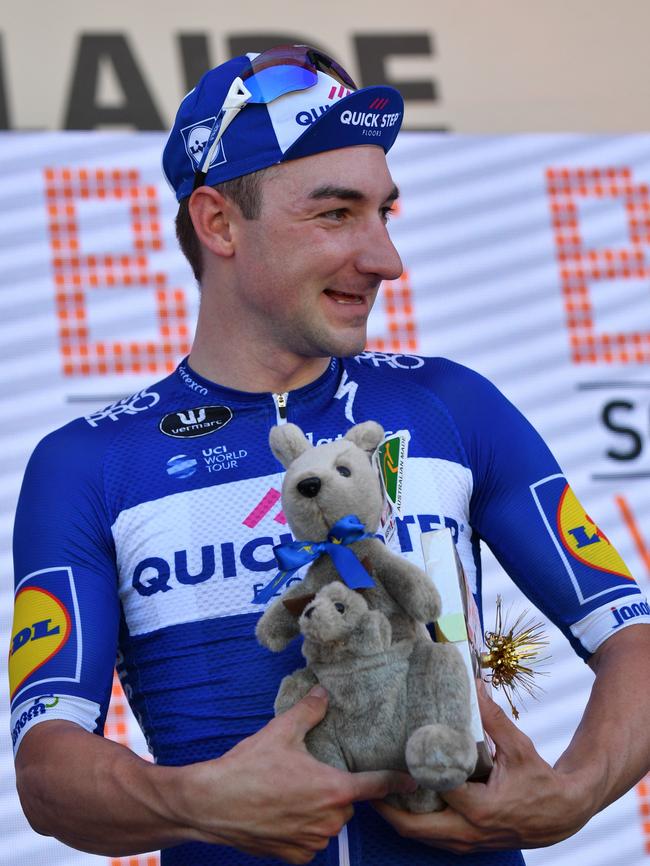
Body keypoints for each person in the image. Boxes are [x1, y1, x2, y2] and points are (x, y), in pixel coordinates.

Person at [9, 45, 650, 866]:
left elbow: (631, 637)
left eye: (386, 212)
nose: (386, 259)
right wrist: (196, 801)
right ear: (217, 223)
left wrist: (574, 792)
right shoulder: (89, 463)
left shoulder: (451, 405)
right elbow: (48, 771)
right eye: (337, 213)